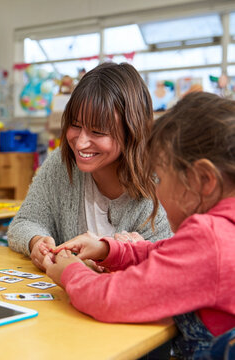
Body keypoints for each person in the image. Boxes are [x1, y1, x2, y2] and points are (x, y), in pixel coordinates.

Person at [43, 92, 235, 359]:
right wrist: (107, 250)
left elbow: (112, 299)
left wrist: (70, 272)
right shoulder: (224, 232)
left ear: (204, 179)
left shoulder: (212, 239)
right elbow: (167, 253)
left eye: (161, 177)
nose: (156, 190)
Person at [7, 62, 172, 271]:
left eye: (98, 131)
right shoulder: (61, 163)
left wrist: (136, 255)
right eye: (75, 125)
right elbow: (24, 222)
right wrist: (36, 242)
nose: (81, 142)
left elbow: (169, 261)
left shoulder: (162, 180)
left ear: (132, 131)